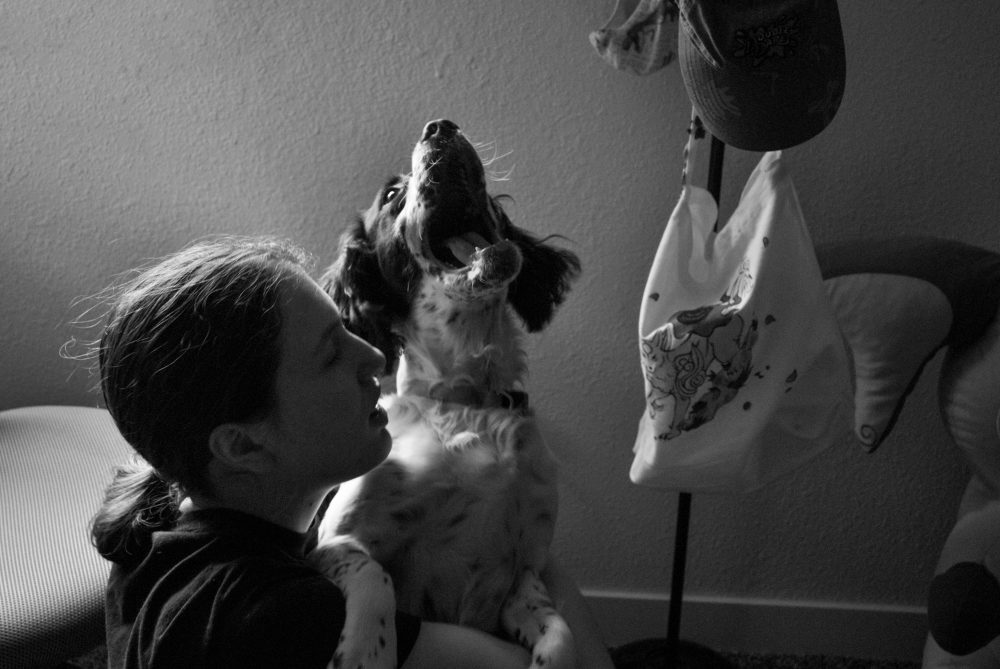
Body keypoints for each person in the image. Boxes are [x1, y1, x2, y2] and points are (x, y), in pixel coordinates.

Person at [87, 236, 613, 669]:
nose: (376, 356)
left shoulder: (153, 546)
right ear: (243, 444)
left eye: (346, 330)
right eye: (330, 355)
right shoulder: (277, 618)